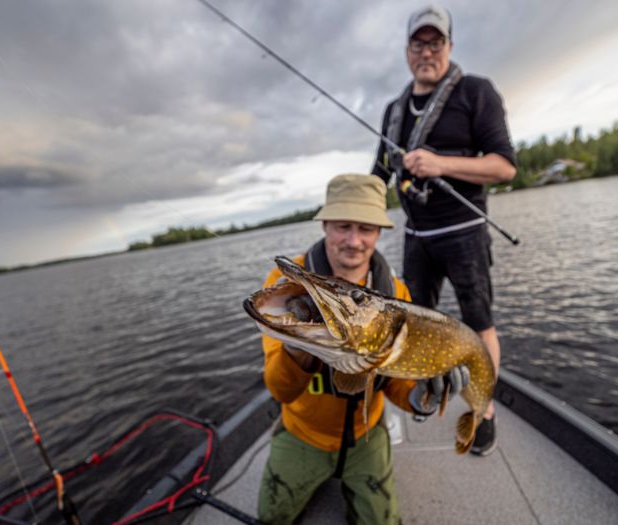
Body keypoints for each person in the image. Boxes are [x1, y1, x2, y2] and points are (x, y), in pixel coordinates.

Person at [257, 174, 467, 525]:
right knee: (270, 516)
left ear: (378, 233)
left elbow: (396, 382)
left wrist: (420, 397)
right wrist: (298, 346)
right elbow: (281, 390)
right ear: (325, 224)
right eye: (343, 226)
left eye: (366, 228)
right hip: (303, 432)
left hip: (366, 433)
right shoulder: (287, 289)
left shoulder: (395, 293)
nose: (354, 241)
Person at [371, 4, 517, 456]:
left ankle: (483, 410)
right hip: (417, 238)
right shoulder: (394, 109)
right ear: (407, 51)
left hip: (465, 231)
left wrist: (440, 163)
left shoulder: (476, 92)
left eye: (436, 42)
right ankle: (427, 391)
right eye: (419, 43)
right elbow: (378, 174)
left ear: (450, 46)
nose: (427, 51)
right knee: (415, 325)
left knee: (479, 324)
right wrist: (349, 223)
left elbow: (505, 166)